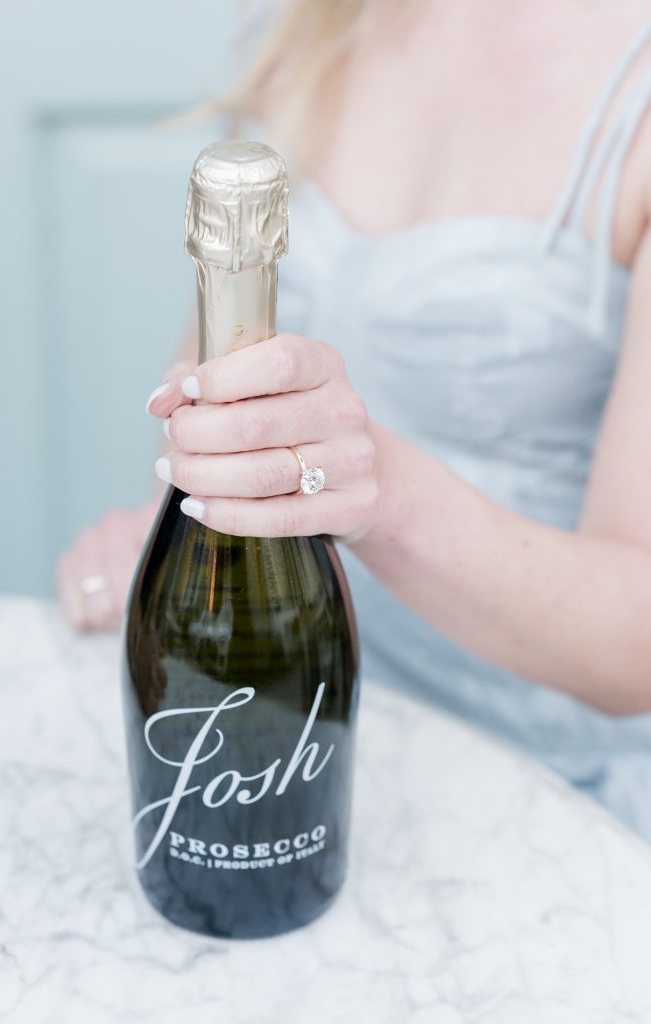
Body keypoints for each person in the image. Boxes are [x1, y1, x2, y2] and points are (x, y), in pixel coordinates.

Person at [58, 0, 651, 839]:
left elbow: (640, 650)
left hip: (539, 794)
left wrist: (383, 496)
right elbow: (217, 356)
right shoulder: (316, 19)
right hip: (283, 722)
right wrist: (180, 538)